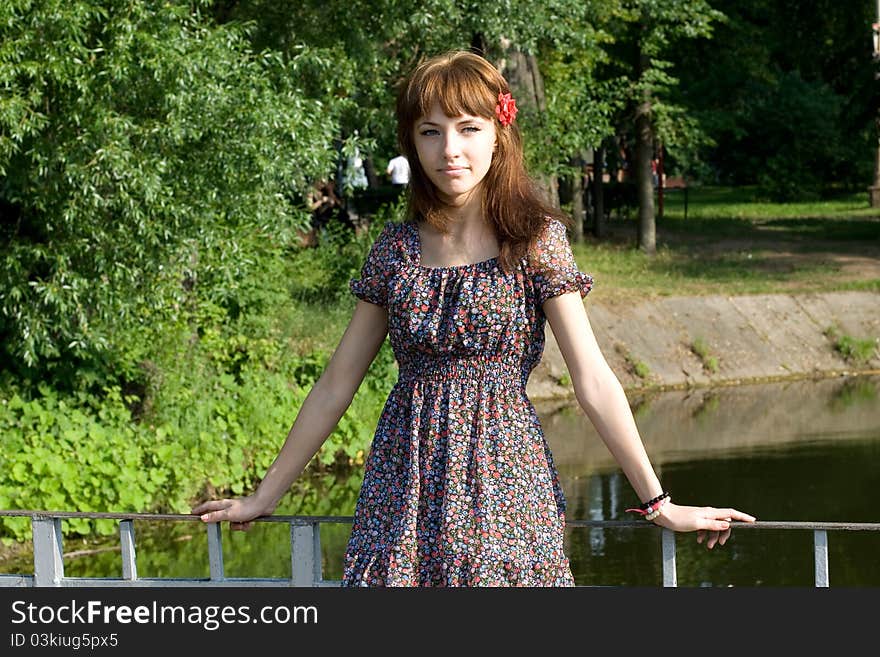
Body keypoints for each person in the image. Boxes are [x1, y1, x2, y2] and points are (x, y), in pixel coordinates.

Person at [192, 50, 755, 586]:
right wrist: (265, 496)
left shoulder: (535, 241)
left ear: (498, 134)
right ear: (412, 144)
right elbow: (337, 384)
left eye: (468, 128)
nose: (450, 150)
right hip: (402, 483)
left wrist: (659, 503)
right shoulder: (394, 250)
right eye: (430, 132)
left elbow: (593, 381)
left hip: (504, 482)